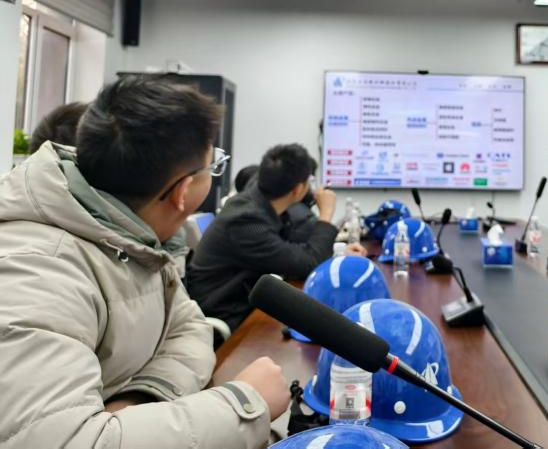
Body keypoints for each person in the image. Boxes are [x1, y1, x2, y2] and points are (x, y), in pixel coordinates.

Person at [0, 76, 288, 449]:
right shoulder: (39, 273)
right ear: (183, 192)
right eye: (212, 165)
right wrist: (243, 404)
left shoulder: (132, 234)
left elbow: (190, 330)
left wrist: (138, 400)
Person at [187, 143, 366, 331]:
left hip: (247, 301)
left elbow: (292, 250)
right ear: (298, 190)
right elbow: (308, 262)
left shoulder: (259, 197)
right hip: (225, 316)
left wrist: (338, 252)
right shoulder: (247, 222)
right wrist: (326, 213)